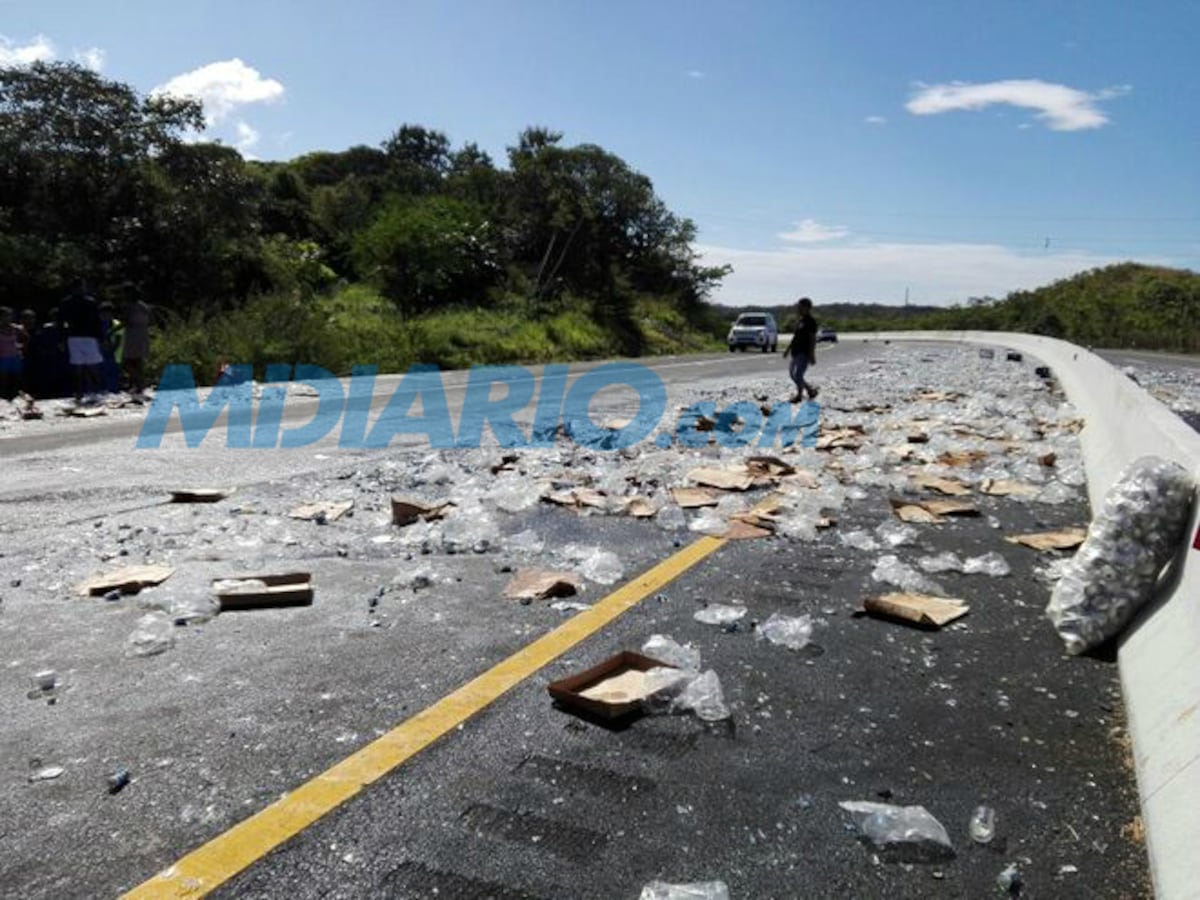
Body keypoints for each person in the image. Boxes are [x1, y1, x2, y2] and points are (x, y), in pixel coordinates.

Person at [59, 279, 104, 404]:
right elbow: (97, 322)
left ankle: (83, 393)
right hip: (86, 337)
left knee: (79, 366)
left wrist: (62, 338)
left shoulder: (67, 302)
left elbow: (61, 323)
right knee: (90, 365)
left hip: (75, 337)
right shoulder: (90, 302)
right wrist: (101, 338)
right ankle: (92, 391)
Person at [783, 297, 820, 402]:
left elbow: (812, 339)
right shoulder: (800, 320)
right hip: (796, 351)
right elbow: (795, 337)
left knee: (798, 374)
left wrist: (812, 354)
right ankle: (810, 390)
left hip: (804, 352)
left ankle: (799, 396)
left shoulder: (810, 321)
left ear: (806, 308)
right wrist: (787, 349)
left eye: (800, 307)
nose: (798, 309)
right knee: (792, 374)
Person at [121, 294, 151, 397]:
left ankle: (139, 382)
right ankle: (138, 386)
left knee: (127, 363)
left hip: (133, 335)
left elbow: (125, 321)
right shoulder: (144, 306)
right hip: (143, 335)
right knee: (138, 362)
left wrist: (111, 331)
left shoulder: (130, 306)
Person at [0, 306, 24, 401]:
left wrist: (21, 348)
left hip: (15, 357)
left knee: (17, 381)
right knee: (3, 382)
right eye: (5, 316)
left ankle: (17, 400)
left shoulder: (16, 328)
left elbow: (27, 339)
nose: (8, 318)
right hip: (2, 358)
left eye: (9, 316)